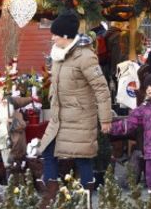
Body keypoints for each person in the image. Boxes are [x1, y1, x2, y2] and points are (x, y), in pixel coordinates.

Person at [38, 10, 113, 194]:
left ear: (66, 36)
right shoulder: (58, 55)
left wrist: (105, 119)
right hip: (59, 118)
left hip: (80, 118)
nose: (53, 38)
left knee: (83, 158)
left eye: (55, 34)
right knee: (47, 151)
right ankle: (52, 197)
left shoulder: (85, 57)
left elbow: (101, 89)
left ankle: (85, 201)